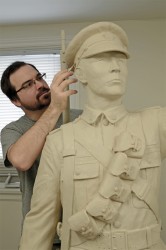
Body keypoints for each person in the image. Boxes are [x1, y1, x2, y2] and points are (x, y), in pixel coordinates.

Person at [19, 22, 166, 250]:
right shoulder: (60, 141)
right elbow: (40, 222)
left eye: (120, 59)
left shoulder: (156, 123)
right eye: (102, 59)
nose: (116, 67)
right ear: (79, 74)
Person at [0, 61, 81, 248]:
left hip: (83, 232)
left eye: (39, 78)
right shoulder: (13, 130)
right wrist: (55, 108)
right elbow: (21, 160)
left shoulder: (80, 118)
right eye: (28, 85)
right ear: (15, 101)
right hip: (43, 238)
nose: (39, 85)